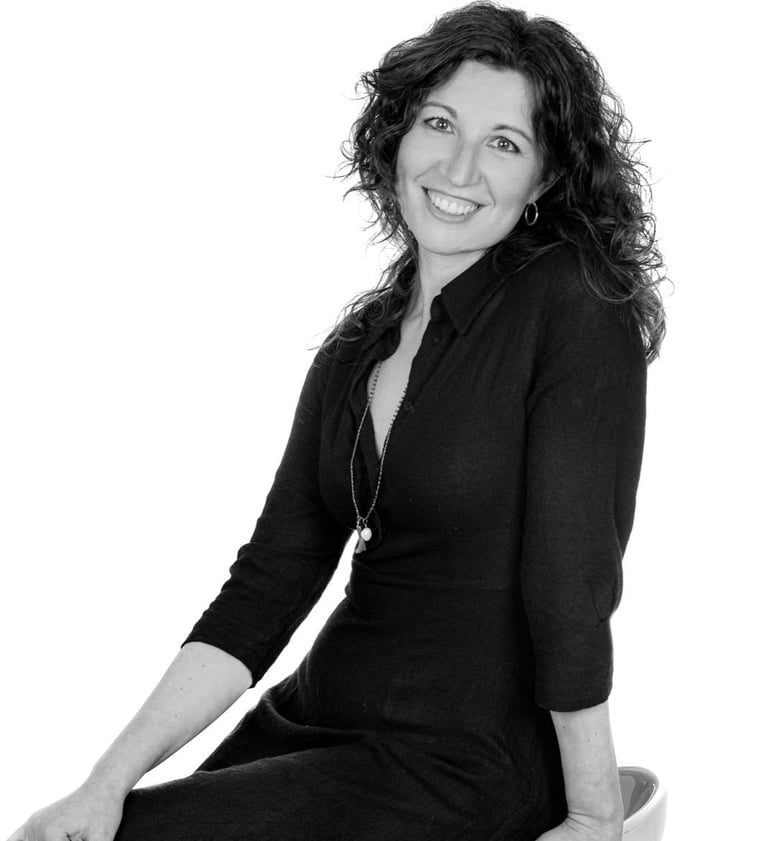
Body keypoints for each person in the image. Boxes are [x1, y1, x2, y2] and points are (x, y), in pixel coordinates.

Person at [6, 2, 666, 840]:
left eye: (505, 143)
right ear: (397, 135)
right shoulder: (357, 348)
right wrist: (103, 784)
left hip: (462, 760)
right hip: (313, 722)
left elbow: (572, 578)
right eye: (439, 124)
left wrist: (594, 811)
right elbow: (266, 587)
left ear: (542, 180)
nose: (460, 166)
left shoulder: (575, 304)